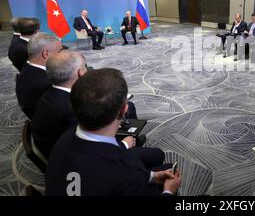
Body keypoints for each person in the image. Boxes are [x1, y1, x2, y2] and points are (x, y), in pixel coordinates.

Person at [45, 68, 182, 196]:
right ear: (124, 110)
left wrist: (152, 177)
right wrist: (168, 191)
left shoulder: (64, 138)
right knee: (170, 168)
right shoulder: (126, 174)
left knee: (157, 157)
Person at [32, 51, 148, 159]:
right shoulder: (72, 109)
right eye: (85, 66)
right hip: (77, 157)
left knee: (128, 106)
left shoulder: (50, 93)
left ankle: (134, 139)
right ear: (81, 73)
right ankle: (132, 142)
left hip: (57, 144)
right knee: (156, 154)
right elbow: (91, 146)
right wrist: (124, 145)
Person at [16, 33, 62, 119]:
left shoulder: (27, 65)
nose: (62, 55)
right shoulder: (47, 83)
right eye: (59, 51)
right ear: (46, 54)